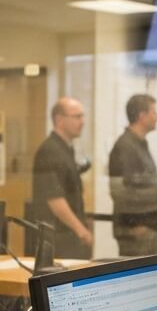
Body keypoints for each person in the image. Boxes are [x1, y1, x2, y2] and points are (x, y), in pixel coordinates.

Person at [32, 97, 93, 259]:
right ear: (59, 119)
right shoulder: (51, 150)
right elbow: (55, 199)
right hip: (60, 238)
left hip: (67, 235)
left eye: (83, 116)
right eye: (77, 117)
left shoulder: (65, 149)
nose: (83, 121)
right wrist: (81, 231)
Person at [108, 94, 157, 256]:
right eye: (153, 112)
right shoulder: (126, 147)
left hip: (147, 230)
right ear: (142, 116)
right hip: (137, 232)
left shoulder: (138, 144)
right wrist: (136, 225)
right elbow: (119, 192)